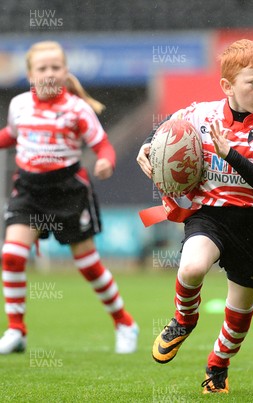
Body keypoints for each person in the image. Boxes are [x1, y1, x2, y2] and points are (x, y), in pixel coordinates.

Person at [136, 39, 253, 394]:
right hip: (209, 215)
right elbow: (166, 134)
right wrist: (149, 151)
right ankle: (184, 319)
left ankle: (218, 365)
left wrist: (229, 153)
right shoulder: (200, 114)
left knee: (240, 309)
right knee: (190, 268)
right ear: (228, 86)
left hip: (249, 222)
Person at [0, 41, 138, 355]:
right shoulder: (19, 105)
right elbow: (12, 134)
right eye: (42, 68)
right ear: (30, 74)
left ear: (65, 72)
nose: (49, 74)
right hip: (28, 191)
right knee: (11, 255)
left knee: (88, 264)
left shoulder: (77, 109)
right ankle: (16, 330)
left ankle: (124, 322)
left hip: (68, 192)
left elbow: (102, 145)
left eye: (55, 68)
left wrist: (106, 161)